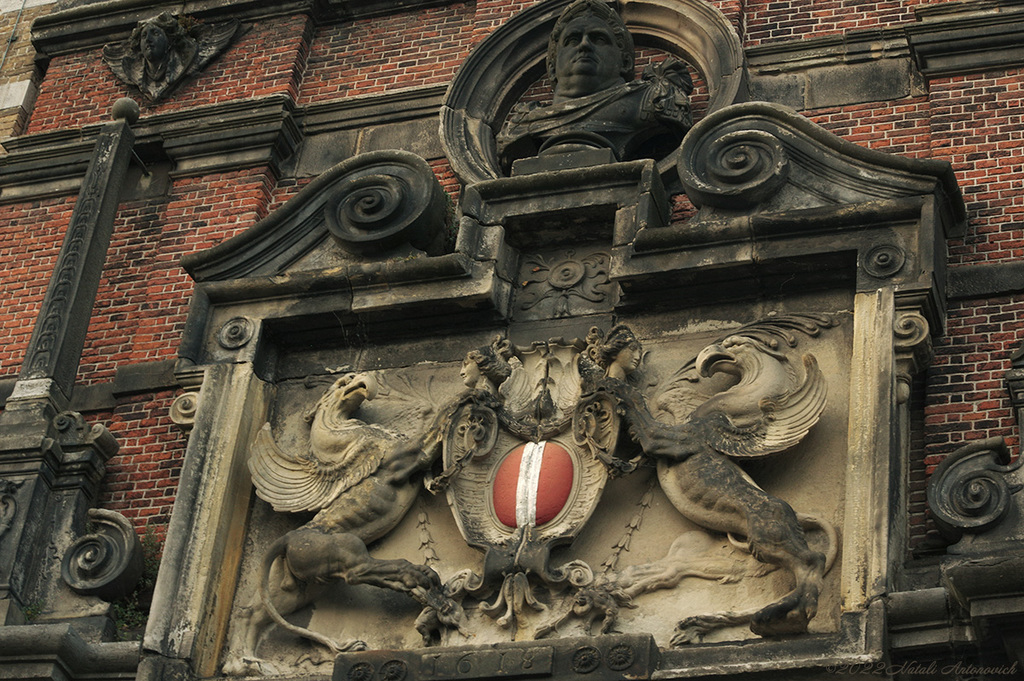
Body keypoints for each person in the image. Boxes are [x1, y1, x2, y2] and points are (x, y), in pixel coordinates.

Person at [497, 0, 693, 170]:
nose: (584, 45)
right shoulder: (523, 123)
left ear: (625, 62)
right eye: (572, 40)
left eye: (598, 39)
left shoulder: (651, 99)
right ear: (552, 66)